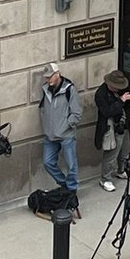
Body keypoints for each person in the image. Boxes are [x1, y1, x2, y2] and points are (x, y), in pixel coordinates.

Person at [38, 61, 82, 192]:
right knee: (47, 162)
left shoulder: (69, 90)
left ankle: (72, 190)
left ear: (57, 74)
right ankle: (64, 184)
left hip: (66, 134)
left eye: (50, 76)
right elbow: (42, 109)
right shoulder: (45, 90)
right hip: (50, 135)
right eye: (46, 77)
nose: (48, 79)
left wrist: (67, 125)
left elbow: (77, 112)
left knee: (71, 165)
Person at [94, 70, 130, 191]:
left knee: (125, 150)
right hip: (111, 127)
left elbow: (129, 105)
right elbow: (107, 112)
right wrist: (121, 100)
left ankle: (121, 170)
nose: (119, 89)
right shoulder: (101, 94)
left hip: (124, 124)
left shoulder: (123, 88)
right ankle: (105, 179)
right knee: (111, 154)